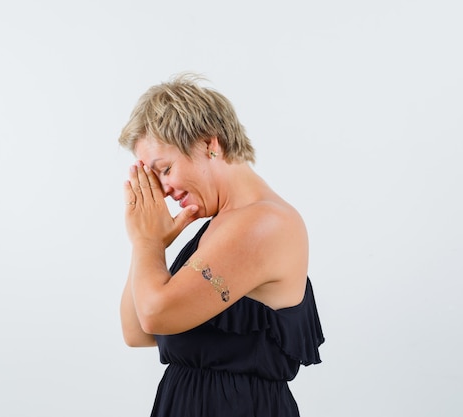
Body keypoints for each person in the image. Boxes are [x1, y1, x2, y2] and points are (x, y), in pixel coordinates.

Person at [118, 73, 324, 417]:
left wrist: (147, 242)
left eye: (165, 169)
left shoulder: (264, 224)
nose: (164, 189)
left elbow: (155, 314)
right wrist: (149, 242)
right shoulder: (217, 226)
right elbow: (136, 331)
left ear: (209, 144)